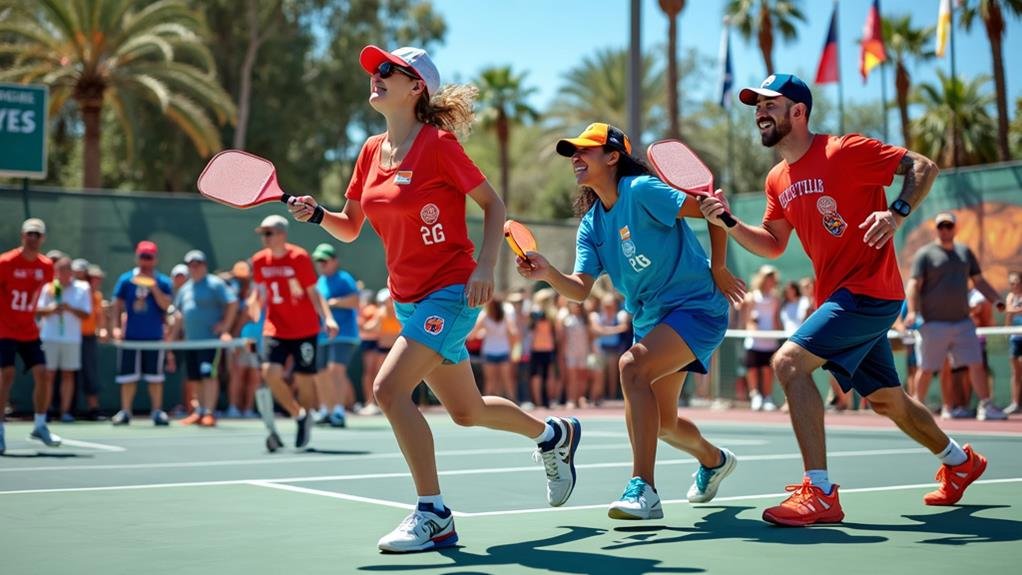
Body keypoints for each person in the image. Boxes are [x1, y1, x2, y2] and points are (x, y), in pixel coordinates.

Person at [287, 44, 581, 552]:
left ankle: (434, 513)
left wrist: (487, 265)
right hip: (407, 298)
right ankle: (553, 435)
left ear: (416, 86)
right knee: (466, 411)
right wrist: (317, 216)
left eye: (388, 72)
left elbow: (493, 205)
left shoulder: (439, 145)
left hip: (452, 290)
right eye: (375, 71)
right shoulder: (367, 153)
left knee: (388, 390)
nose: (375, 77)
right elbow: (352, 228)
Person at [699, 73, 989, 526]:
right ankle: (960, 462)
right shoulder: (777, 178)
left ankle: (820, 492)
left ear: (799, 111)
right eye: (756, 104)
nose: (759, 111)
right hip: (839, 296)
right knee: (888, 400)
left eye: (769, 103)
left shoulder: (844, 150)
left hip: (870, 292)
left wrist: (897, 213)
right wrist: (729, 222)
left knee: (788, 363)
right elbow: (774, 244)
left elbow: (923, 167)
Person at [517, 122, 745, 520]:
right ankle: (714, 460)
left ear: (612, 156)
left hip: (697, 307)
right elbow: (580, 288)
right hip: (652, 320)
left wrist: (720, 266)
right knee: (663, 424)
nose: (576, 157)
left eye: (585, 150)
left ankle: (644, 489)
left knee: (631, 366)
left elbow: (712, 209)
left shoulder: (642, 191)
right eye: (573, 151)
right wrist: (548, 272)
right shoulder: (591, 224)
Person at [906, 212, 1006, 421]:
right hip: (933, 323)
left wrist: (996, 300)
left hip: (962, 322)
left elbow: (979, 281)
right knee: (926, 368)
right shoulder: (925, 254)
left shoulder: (964, 253)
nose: (945, 230)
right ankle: (916, 407)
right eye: (941, 226)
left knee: (976, 364)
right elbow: (914, 285)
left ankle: (985, 406)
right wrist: (913, 311)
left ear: (954, 228)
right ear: (936, 229)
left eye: (948, 226)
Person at [248, 215, 337, 448]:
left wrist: (327, 318)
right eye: (262, 234)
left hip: (304, 328)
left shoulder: (299, 257)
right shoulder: (258, 261)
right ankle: (297, 413)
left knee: (304, 379)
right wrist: (253, 304)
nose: (264, 238)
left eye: (269, 233)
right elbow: (259, 293)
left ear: (282, 234)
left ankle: (306, 415)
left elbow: (313, 292)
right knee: (269, 372)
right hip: (275, 327)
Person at [1, 218, 59, 453]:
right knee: (7, 375)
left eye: (37, 234)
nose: (32, 238)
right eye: (29, 234)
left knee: (44, 373)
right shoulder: (5, 262)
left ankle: (40, 425)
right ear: (22, 236)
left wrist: (53, 303)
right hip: (4, 329)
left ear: (42, 238)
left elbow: (48, 293)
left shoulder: (46, 266)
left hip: (29, 330)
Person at [170, 250, 238, 427]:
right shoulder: (185, 288)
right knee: (195, 377)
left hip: (210, 341)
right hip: (190, 342)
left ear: (204, 265)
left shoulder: (215, 284)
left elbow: (232, 303)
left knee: (208, 374)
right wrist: (171, 338)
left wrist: (225, 326)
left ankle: (209, 412)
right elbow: (179, 315)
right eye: (190, 265)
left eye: (197, 264)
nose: (194, 268)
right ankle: (199, 411)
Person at [111, 240, 173, 426]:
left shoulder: (162, 281)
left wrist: (153, 287)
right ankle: (126, 411)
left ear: (155, 259)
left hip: (154, 337)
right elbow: (117, 305)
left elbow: (166, 305)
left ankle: (157, 411)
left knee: (155, 377)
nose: (145, 261)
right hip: (130, 337)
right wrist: (115, 327)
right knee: (128, 377)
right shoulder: (125, 279)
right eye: (142, 257)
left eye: (149, 257)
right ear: (137, 257)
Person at [36, 256, 92, 423]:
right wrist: (52, 309)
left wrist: (70, 309)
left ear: (71, 272)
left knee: (68, 375)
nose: (63, 273)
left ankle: (65, 412)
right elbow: (38, 310)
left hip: (71, 339)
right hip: (49, 337)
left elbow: (86, 313)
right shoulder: (48, 288)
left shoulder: (82, 288)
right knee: (48, 375)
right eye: (60, 270)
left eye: (66, 270)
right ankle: (44, 412)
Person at [311, 243, 360, 427]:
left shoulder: (344, 278)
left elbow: (356, 301)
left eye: (324, 260)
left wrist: (332, 303)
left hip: (344, 333)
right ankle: (326, 410)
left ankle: (338, 412)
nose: (321, 264)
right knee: (320, 373)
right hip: (322, 335)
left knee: (335, 371)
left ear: (334, 261)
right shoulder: (319, 282)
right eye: (318, 261)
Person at [742, 264, 782, 411]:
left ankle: (767, 397)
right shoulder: (752, 296)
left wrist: (777, 332)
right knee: (752, 369)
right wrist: (754, 329)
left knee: (767, 370)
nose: (770, 280)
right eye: (767, 277)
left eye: (772, 277)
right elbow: (748, 319)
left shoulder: (776, 298)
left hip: (770, 341)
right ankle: (755, 396)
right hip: (754, 341)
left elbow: (776, 318)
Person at [471, 295, 518, 401]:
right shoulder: (506, 315)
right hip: (504, 350)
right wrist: (512, 348)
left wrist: (485, 333)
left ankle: (486, 406)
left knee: (490, 382)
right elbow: (513, 333)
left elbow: (472, 335)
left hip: (489, 351)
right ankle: (513, 403)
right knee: (507, 381)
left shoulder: (485, 315)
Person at [79, 264, 109, 420]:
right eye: (93, 278)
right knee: (69, 374)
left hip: (89, 338)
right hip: (74, 337)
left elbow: (100, 318)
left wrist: (102, 330)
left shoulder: (97, 296)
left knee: (91, 373)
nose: (96, 282)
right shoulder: (79, 293)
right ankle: (63, 409)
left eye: (99, 279)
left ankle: (93, 408)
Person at [1005, 271, 1022, 415]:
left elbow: (1012, 309)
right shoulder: (1011, 296)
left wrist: (1013, 310)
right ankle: (1015, 402)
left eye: (1015, 282)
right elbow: (1008, 312)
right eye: (1011, 283)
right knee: (1016, 372)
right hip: (1015, 339)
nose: (1013, 285)